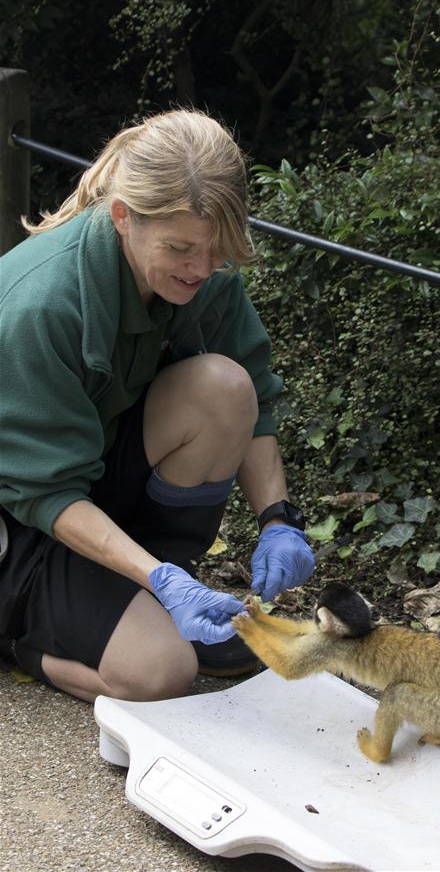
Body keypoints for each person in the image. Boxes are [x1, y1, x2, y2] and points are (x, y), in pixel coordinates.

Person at [0, 108, 315, 703]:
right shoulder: (42, 307)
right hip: (20, 526)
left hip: (87, 487)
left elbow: (254, 393)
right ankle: (19, 638)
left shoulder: (201, 270)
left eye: (217, 249)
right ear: (123, 218)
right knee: (162, 674)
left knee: (224, 388)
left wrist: (278, 518)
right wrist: (157, 580)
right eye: (181, 249)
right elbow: (44, 493)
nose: (202, 269)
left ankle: (155, 588)